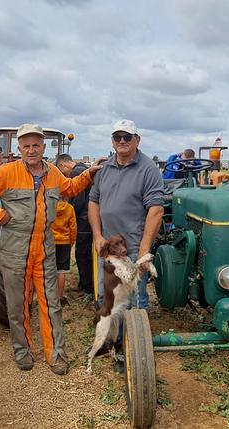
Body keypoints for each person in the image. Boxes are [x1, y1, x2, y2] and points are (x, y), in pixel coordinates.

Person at [0, 123, 103, 376]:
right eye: (26, 146)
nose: (31, 150)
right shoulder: (6, 173)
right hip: (14, 248)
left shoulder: (52, 173)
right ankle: (23, 350)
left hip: (45, 247)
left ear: (43, 147)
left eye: (36, 145)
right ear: (19, 148)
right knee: (18, 304)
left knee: (51, 303)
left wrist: (89, 174)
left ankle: (56, 353)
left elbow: (70, 189)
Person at [88, 119, 164, 312]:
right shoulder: (104, 169)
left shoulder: (148, 169)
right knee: (106, 295)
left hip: (132, 249)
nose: (122, 141)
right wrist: (97, 236)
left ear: (137, 140)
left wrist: (144, 250)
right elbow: (93, 202)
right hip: (107, 247)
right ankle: (111, 340)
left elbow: (156, 210)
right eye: (117, 137)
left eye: (127, 137)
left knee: (133, 301)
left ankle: (133, 341)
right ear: (112, 141)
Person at [55, 153, 95, 298]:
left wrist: (69, 213)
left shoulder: (76, 173)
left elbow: (78, 200)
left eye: (61, 173)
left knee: (82, 253)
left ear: (62, 165)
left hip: (83, 220)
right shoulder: (83, 169)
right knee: (84, 253)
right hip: (88, 218)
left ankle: (87, 287)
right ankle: (85, 284)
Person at [52, 195, 76, 305]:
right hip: (65, 242)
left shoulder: (49, 206)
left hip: (50, 242)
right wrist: (71, 242)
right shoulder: (69, 208)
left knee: (48, 270)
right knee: (61, 271)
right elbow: (73, 227)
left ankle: (48, 296)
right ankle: (60, 297)